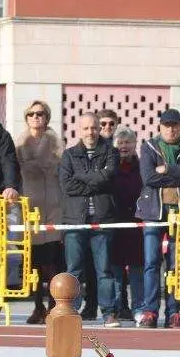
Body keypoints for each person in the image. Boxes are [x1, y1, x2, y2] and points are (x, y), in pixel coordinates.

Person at [58, 111, 120, 326]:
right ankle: (69, 310)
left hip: (103, 220)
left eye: (94, 127)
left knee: (104, 270)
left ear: (99, 128)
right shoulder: (69, 155)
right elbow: (67, 185)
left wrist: (82, 179)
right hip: (75, 220)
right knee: (74, 269)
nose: (90, 132)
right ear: (79, 129)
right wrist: (97, 178)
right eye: (86, 128)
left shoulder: (111, 152)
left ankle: (109, 312)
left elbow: (110, 177)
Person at [136, 109, 180, 329]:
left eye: (175, 125)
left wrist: (166, 169)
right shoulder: (149, 146)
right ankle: (149, 311)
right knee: (150, 263)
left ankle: (173, 313)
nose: (171, 129)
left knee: (176, 266)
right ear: (160, 127)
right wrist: (178, 174)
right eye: (167, 125)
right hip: (152, 212)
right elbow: (148, 177)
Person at [15, 100, 64, 325]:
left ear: (47, 117)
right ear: (26, 118)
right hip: (29, 207)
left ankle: (54, 306)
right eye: (32, 114)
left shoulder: (57, 143)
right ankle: (37, 306)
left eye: (41, 113)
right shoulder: (19, 144)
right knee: (32, 263)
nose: (36, 117)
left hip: (53, 206)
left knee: (52, 262)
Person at [111, 125, 145, 321]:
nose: (124, 146)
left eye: (128, 142)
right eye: (120, 142)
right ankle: (115, 308)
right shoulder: (110, 167)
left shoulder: (141, 168)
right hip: (114, 223)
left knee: (136, 270)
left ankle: (138, 308)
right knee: (115, 270)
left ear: (134, 145)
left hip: (136, 224)